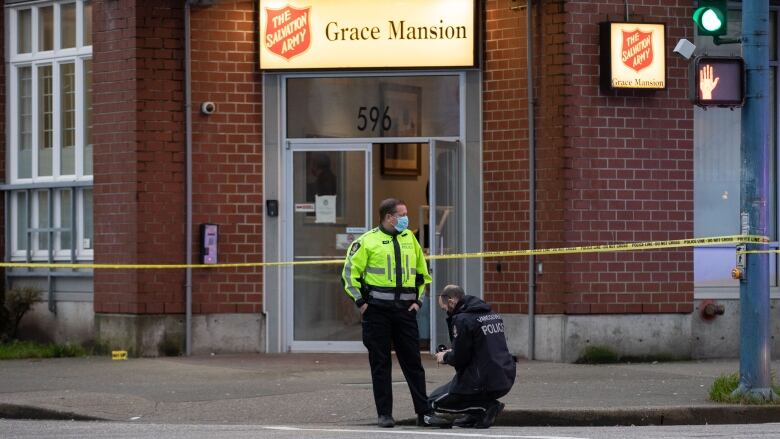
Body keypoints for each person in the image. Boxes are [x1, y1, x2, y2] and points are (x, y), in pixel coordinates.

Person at [341, 198, 450, 428]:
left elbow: (422, 274)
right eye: (402, 214)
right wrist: (361, 303)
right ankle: (384, 414)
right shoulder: (367, 241)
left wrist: (418, 302)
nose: (406, 218)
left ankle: (424, 413)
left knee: (413, 364)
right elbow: (349, 274)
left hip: (405, 313)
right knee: (380, 364)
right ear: (389, 217)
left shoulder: (409, 238)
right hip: (377, 313)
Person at [429, 284, 516, 429]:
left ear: (451, 302)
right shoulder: (491, 314)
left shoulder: (462, 319)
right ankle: (477, 415)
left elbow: (460, 358)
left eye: (444, 309)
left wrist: (444, 357)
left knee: (433, 403)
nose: (446, 312)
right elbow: (481, 346)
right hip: (503, 376)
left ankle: (486, 407)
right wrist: (454, 349)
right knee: (453, 393)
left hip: (480, 381)